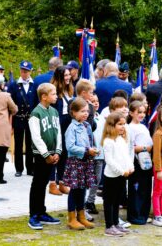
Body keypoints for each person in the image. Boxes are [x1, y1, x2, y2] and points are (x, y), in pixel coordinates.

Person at [27, 83, 62, 230]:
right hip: (42, 155)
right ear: (44, 96)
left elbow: (58, 132)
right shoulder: (36, 113)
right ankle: (34, 214)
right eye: (53, 94)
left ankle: (42, 212)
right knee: (38, 184)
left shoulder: (54, 112)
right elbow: (36, 136)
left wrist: (58, 151)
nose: (56, 96)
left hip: (53, 154)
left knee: (44, 184)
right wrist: (46, 154)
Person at [63, 98, 99, 230]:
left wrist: (93, 149)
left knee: (83, 189)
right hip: (75, 162)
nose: (86, 114)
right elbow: (70, 146)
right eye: (82, 111)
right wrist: (85, 150)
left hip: (86, 161)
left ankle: (81, 216)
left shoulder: (87, 126)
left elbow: (90, 141)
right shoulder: (71, 128)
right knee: (75, 190)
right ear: (73, 112)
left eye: (87, 111)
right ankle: (72, 218)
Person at [102, 111, 134, 236]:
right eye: (120, 124)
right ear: (112, 125)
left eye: (124, 124)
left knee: (117, 201)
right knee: (109, 201)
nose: (123, 127)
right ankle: (109, 226)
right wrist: (121, 171)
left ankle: (116, 223)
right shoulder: (108, 141)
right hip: (112, 176)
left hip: (122, 175)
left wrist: (130, 167)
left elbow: (126, 156)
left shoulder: (121, 140)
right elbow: (109, 161)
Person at [8, 60, 38, 177]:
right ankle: (19, 169)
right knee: (18, 145)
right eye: (22, 70)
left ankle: (30, 168)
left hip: (31, 119)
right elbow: (10, 103)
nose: (24, 73)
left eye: (26, 71)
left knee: (30, 144)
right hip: (18, 118)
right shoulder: (13, 85)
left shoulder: (34, 85)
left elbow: (37, 102)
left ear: (30, 72)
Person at [127, 101, 153, 225]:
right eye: (139, 112)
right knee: (136, 189)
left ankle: (143, 213)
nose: (142, 115)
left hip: (146, 161)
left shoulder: (143, 126)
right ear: (131, 113)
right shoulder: (130, 128)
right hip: (136, 161)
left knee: (146, 189)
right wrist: (143, 148)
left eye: (143, 112)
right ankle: (135, 215)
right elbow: (130, 146)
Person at [49, 66, 74, 195]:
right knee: (55, 154)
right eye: (65, 75)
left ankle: (62, 182)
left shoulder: (69, 90)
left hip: (67, 124)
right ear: (59, 77)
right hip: (56, 124)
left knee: (64, 154)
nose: (68, 77)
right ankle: (52, 183)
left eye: (69, 75)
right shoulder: (53, 91)